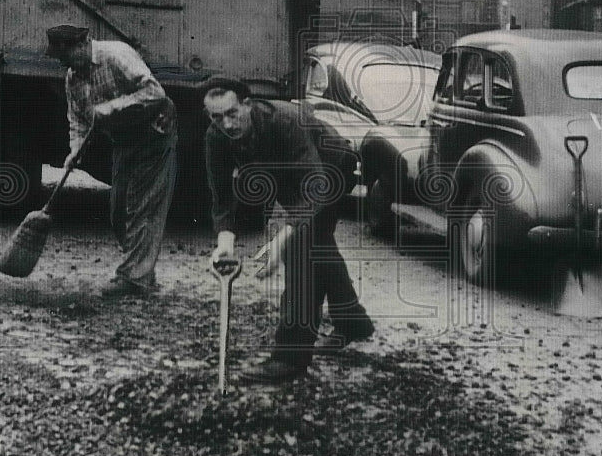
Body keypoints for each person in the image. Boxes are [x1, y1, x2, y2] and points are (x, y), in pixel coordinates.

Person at [203, 78, 374, 383]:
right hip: (292, 177)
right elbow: (222, 198)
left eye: (232, 113)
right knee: (318, 245)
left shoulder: (284, 121)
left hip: (330, 169)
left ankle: (289, 358)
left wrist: (282, 238)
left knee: (302, 250)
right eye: (216, 117)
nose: (226, 124)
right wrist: (224, 242)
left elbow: (316, 185)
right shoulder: (216, 137)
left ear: (248, 104)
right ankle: (353, 323)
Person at [45, 25, 177, 298]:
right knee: (119, 211)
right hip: (124, 141)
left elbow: (155, 93)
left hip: (154, 132)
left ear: (83, 44)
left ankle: (135, 279)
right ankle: (143, 272)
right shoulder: (72, 78)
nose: (63, 63)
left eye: (65, 56)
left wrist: (113, 107)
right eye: (60, 59)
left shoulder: (116, 55)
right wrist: (75, 151)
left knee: (144, 207)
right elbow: (78, 121)